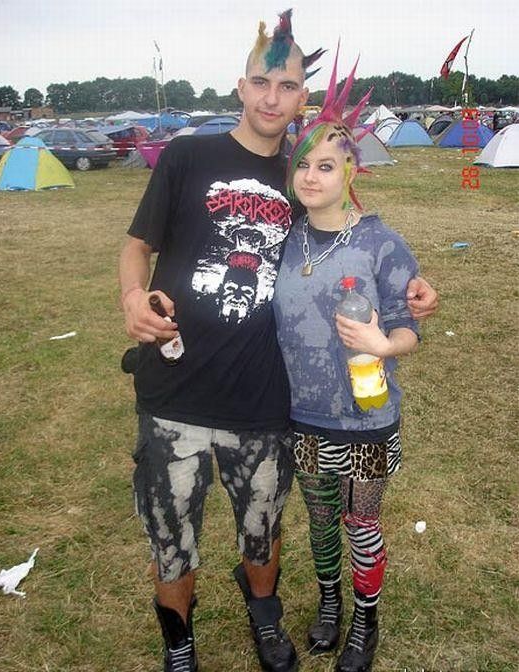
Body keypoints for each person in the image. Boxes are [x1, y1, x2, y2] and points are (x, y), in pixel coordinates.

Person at [119, 11, 438, 672]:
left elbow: (352, 237)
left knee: (264, 530)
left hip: (266, 403)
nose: (271, 97)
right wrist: (131, 297)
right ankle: (180, 647)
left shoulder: (299, 178)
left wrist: (410, 287)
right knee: (171, 540)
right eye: (261, 82)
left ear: (301, 96)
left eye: (287, 85)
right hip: (174, 391)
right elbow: (137, 245)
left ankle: (268, 620)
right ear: (241, 86)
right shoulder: (186, 156)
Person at [273, 46, 422, 672]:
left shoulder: (380, 243)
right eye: (304, 164)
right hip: (304, 415)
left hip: (366, 415)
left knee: (362, 521)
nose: (312, 176)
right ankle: (330, 601)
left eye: (327, 166)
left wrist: (385, 345)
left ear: (351, 171)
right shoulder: (283, 240)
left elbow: (408, 325)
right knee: (320, 519)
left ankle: (365, 619)